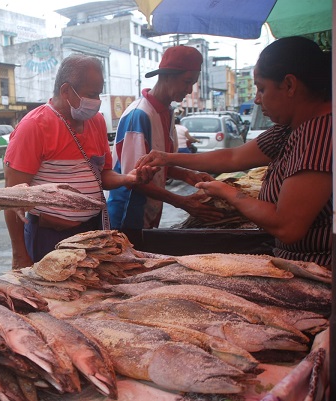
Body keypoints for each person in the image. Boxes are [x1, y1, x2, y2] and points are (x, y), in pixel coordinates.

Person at [136, 37, 332, 266]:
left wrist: (227, 192)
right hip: (294, 259)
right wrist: (167, 158)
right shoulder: (289, 129)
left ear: (289, 85)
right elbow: (233, 157)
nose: (257, 99)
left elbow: (287, 226)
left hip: (318, 269)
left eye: (262, 88)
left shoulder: (321, 133)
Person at [3, 54, 158, 269]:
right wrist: (19, 254)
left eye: (99, 94)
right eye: (91, 94)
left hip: (92, 234)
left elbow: (102, 176)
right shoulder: (34, 126)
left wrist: (128, 178)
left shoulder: (96, 122)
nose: (97, 101)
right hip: (51, 238)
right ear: (66, 91)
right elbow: (12, 199)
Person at [106, 45, 223, 248]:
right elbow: (134, 179)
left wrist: (187, 175)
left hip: (151, 213)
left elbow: (161, 164)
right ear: (167, 76)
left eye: (193, 84)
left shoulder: (168, 112)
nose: (189, 90)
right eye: (187, 82)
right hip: (128, 217)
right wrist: (183, 202)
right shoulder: (139, 115)